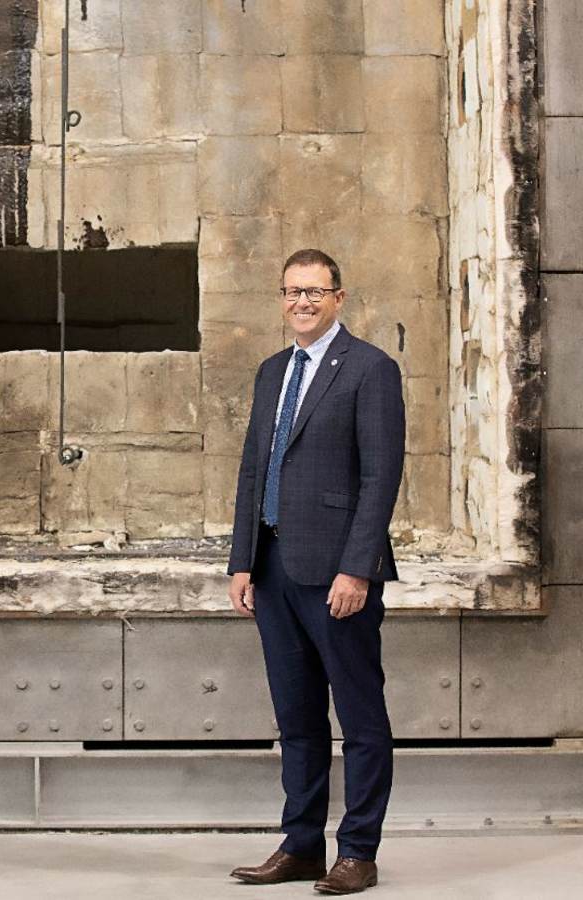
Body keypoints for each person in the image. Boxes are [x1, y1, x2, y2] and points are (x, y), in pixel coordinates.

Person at [226, 249, 405, 895]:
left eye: (315, 291)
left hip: (336, 574)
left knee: (360, 719)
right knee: (297, 719)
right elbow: (254, 469)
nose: (302, 302)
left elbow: (381, 477)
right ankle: (301, 846)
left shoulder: (370, 369)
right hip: (273, 571)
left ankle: (357, 850)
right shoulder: (273, 371)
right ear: (282, 298)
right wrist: (242, 560)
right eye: (292, 291)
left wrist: (357, 569)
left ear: (339, 297)